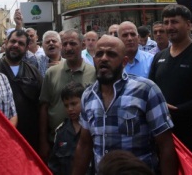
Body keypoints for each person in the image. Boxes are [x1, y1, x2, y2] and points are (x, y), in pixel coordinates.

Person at [72, 35, 178, 175]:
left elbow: (165, 145)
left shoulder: (146, 90)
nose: (103, 58)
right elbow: (85, 144)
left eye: (111, 54)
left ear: (124, 62)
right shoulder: (88, 96)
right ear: (93, 60)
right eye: (99, 54)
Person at [148, 4, 192, 163]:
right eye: (166, 22)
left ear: (188, 25)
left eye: (174, 22)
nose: (169, 27)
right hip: (164, 135)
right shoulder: (159, 58)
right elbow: (151, 91)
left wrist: (178, 110)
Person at [39, 30, 96, 161]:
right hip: (56, 141)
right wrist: (43, 141)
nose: (68, 48)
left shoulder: (93, 72)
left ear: (82, 45)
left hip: (86, 141)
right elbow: (44, 107)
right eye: (65, 44)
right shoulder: (51, 73)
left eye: (72, 43)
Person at [0, 29, 42, 150]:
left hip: (28, 139)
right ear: (6, 43)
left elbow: (42, 106)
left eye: (20, 43)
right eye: (13, 41)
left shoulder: (33, 72)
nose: (15, 45)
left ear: (26, 48)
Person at [48, 82, 87, 175]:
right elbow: (54, 165)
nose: (70, 109)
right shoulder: (61, 132)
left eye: (73, 104)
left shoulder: (91, 129)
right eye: (66, 105)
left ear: (84, 101)